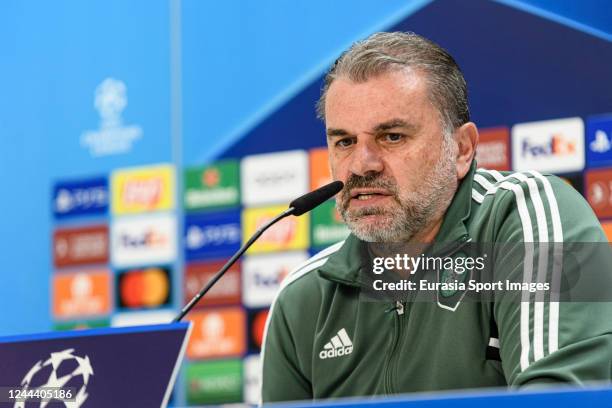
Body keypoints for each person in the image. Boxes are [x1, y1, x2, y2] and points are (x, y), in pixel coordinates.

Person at [260, 32, 612, 403]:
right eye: (344, 142)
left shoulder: (529, 218)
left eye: (392, 137)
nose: (361, 165)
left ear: (462, 149)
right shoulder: (305, 298)